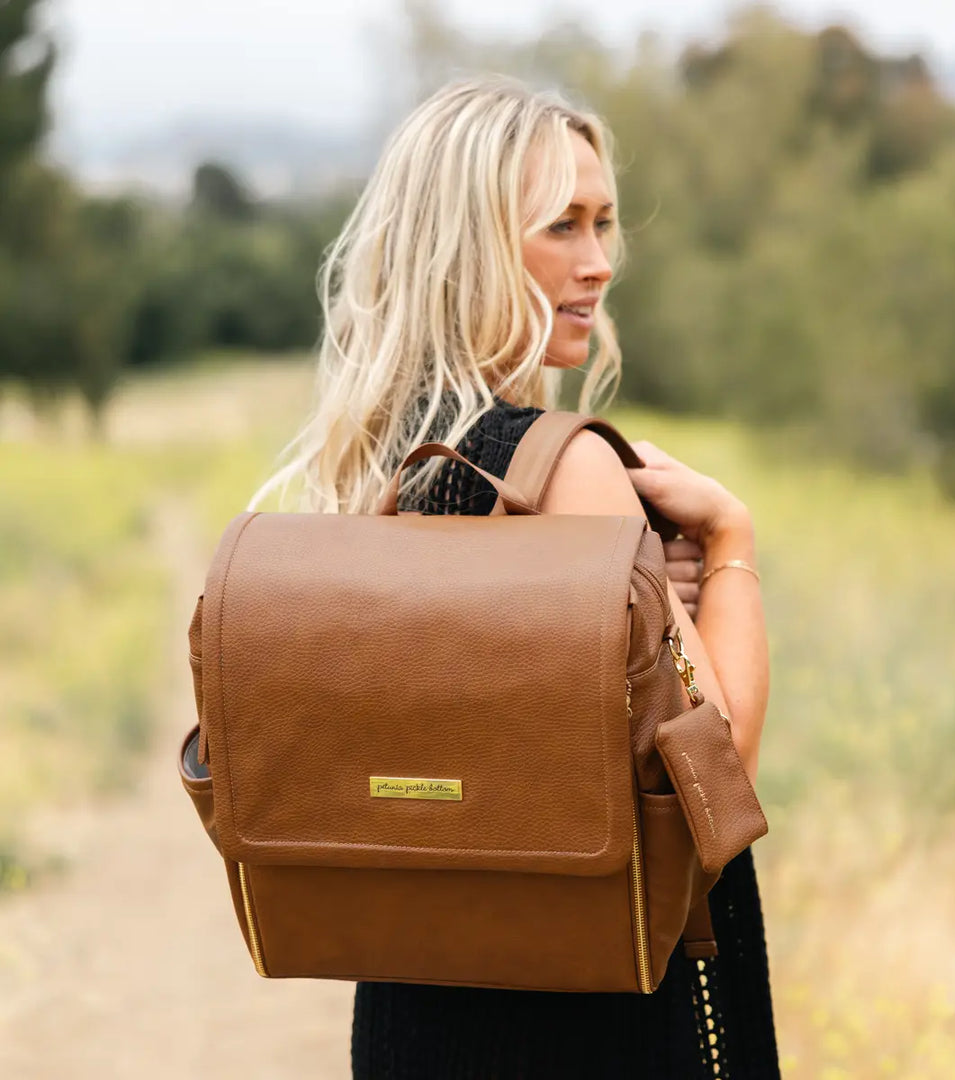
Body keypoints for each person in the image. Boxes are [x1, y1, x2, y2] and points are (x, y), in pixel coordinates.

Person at [252, 74, 779, 1080]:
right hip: (584, 1012)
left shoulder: (385, 466)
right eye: (561, 228)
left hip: (418, 1005)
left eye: (605, 224)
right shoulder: (565, 465)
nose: (597, 264)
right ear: (474, 250)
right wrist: (732, 549)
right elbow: (719, 767)